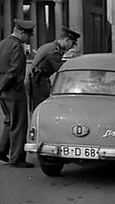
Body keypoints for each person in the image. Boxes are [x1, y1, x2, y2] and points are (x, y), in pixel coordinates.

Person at [0, 19, 36, 168]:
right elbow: (14, 71)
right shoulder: (16, 46)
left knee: (9, 121)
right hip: (13, 90)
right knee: (19, 124)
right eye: (29, 35)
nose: (29, 38)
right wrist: (3, 86)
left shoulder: (2, 43)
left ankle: (2, 150)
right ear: (21, 32)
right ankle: (17, 158)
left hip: (3, 90)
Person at [28, 26, 81, 110]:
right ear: (66, 40)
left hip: (39, 80)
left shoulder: (51, 46)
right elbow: (61, 69)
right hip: (40, 81)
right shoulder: (54, 51)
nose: (71, 47)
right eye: (72, 44)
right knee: (42, 107)